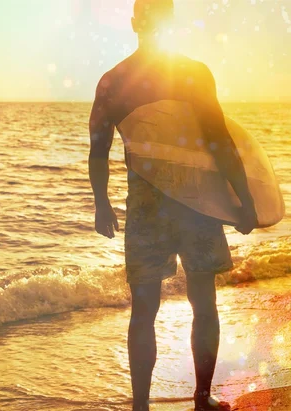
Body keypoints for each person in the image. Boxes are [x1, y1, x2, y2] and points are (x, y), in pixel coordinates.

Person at [87, 0, 258, 410]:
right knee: (204, 302)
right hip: (197, 202)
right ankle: (201, 399)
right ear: (171, 22)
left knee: (143, 311)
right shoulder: (194, 74)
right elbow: (219, 141)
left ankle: (141, 406)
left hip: (146, 206)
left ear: (134, 23)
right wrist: (244, 200)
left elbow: (98, 150)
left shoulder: (113, 81)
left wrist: (102, 204)